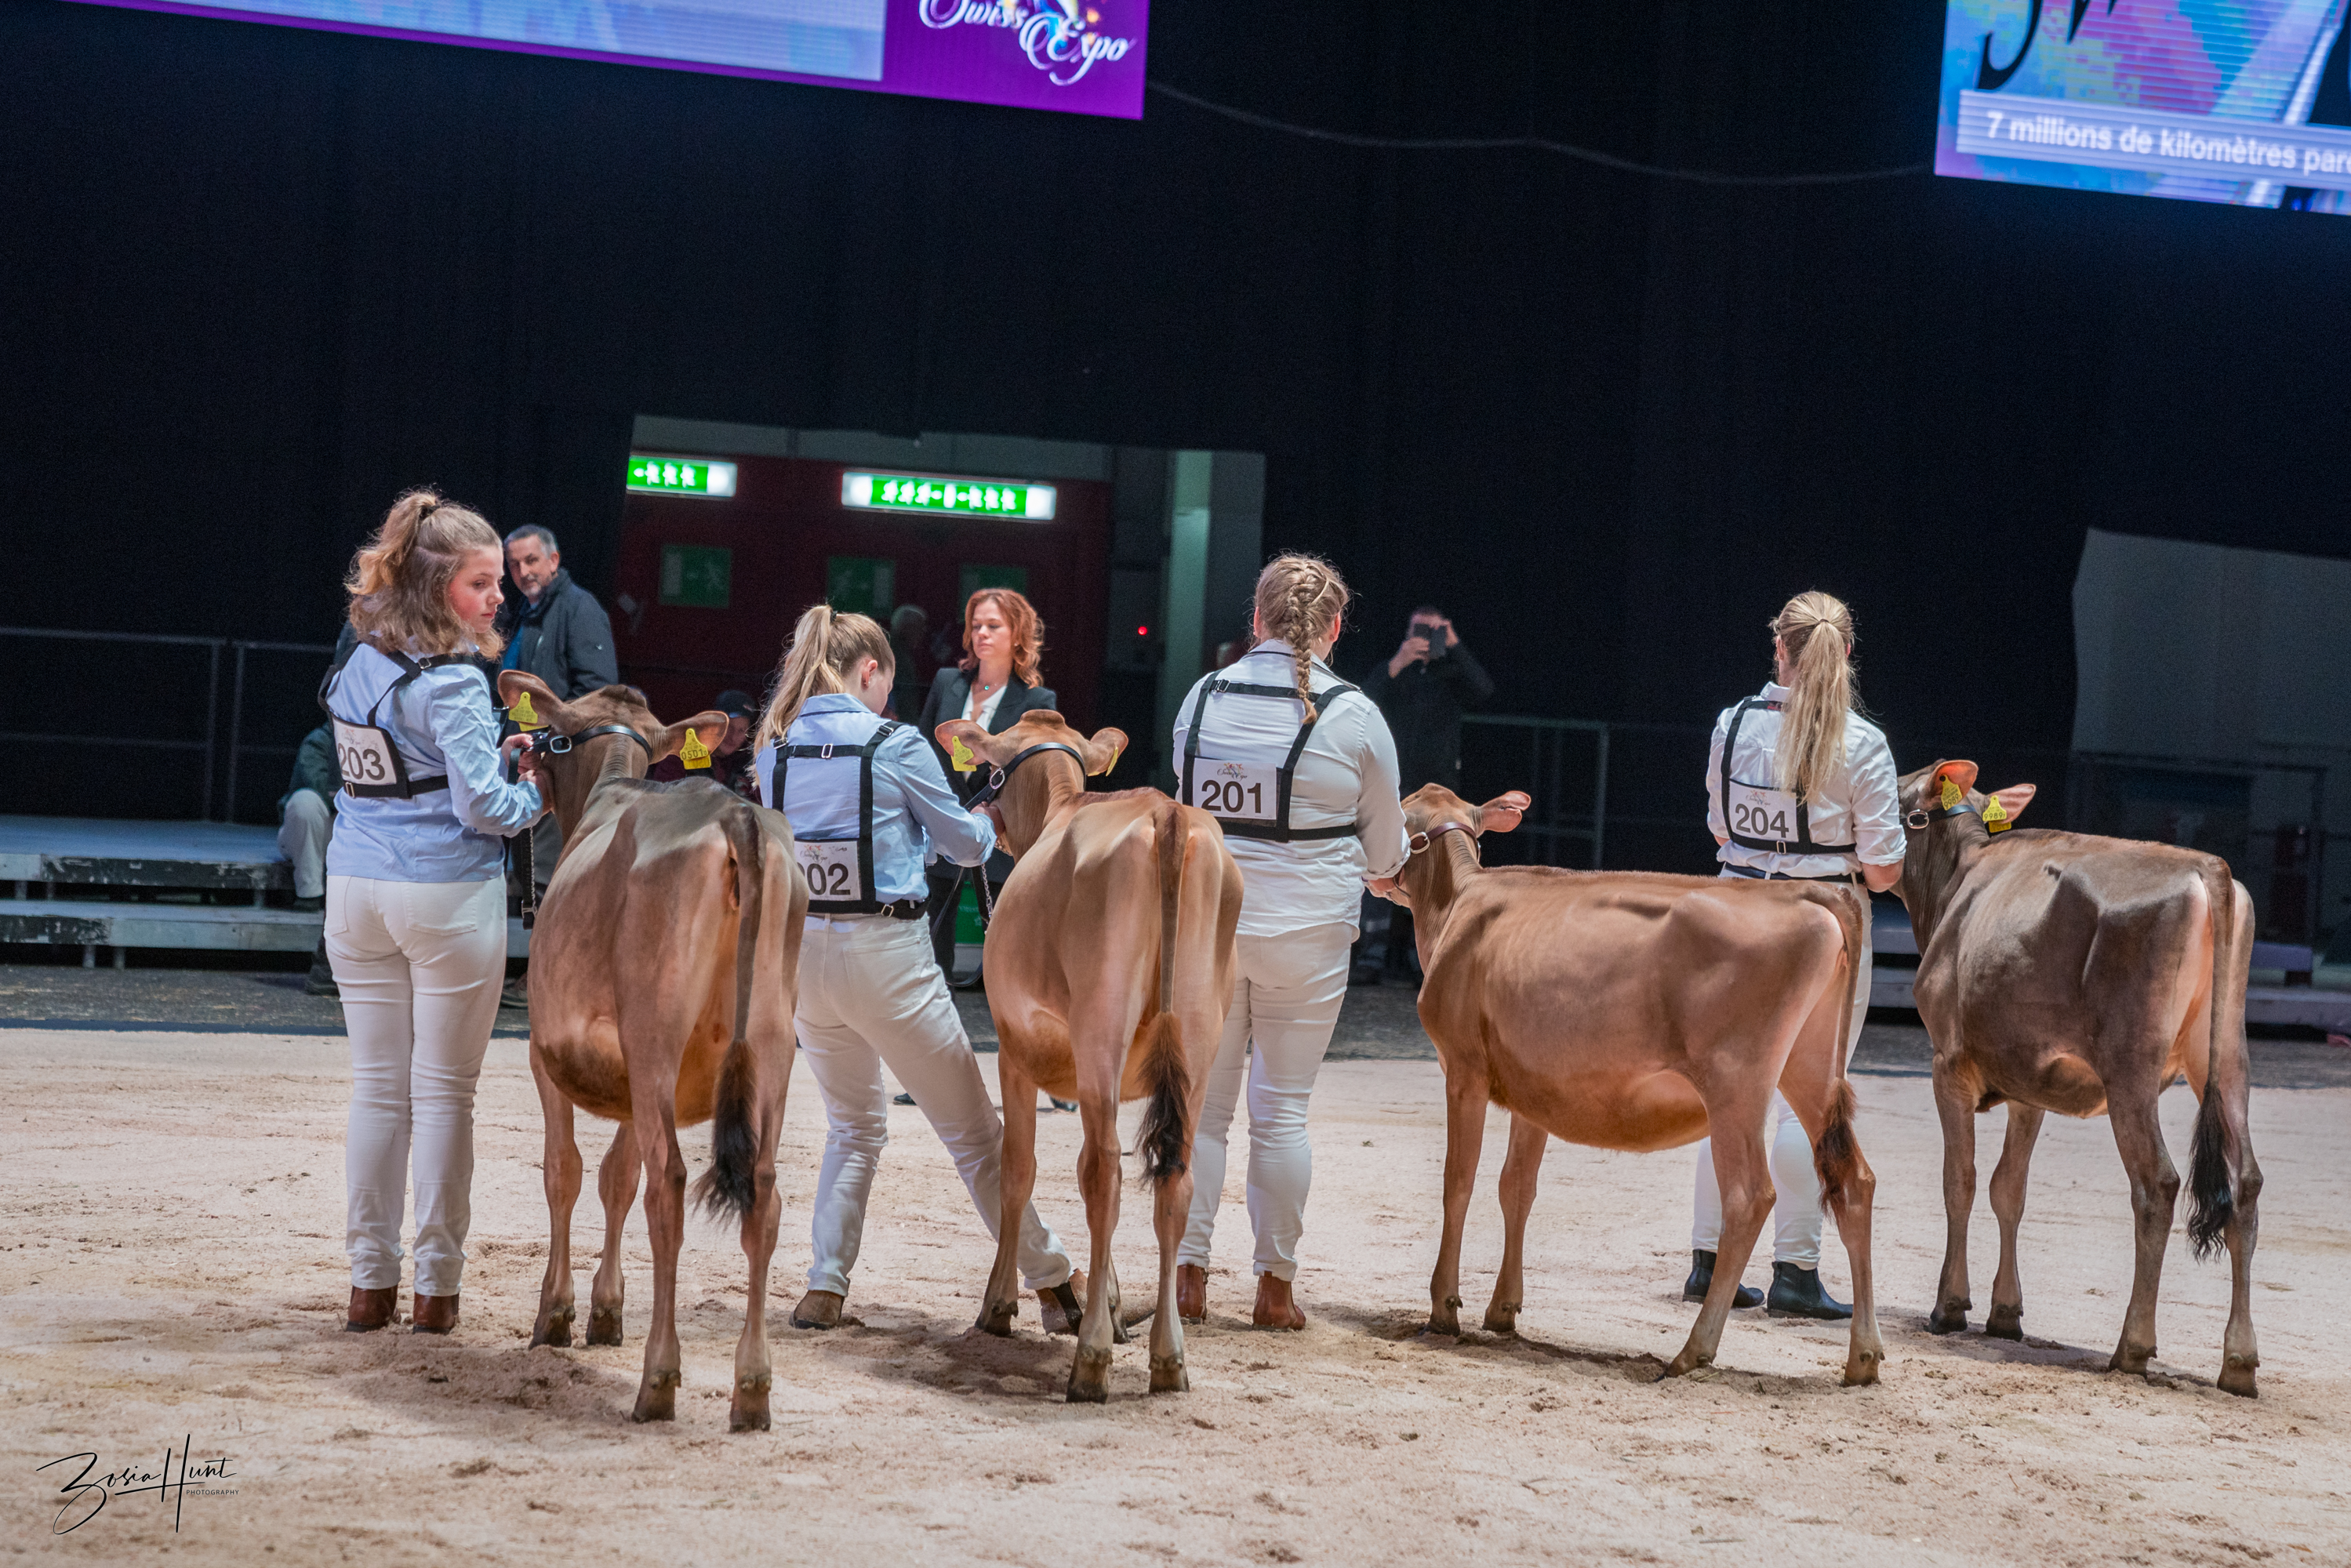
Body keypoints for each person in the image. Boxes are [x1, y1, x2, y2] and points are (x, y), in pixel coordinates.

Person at [752, 604, 1079, 1332]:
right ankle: (1058, 1283)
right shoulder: (894, 741)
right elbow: (962, 846)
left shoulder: (775, 749)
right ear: (870, 671)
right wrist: (987, 821)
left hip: (805, 957)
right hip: (887, 957)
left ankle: (825, 1285)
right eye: (885, 684)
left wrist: (917, 839)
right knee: (975, 1136)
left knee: (851, 1128)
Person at [324, 488, 549, 1336]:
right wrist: (533, 793)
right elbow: (481, 809)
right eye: (479, 584)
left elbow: (397, 767)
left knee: (379, 1091)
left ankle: (368, 1283)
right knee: (447, 1094)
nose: (496, 599)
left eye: (498, 583)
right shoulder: (453, 677)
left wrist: (486, 759)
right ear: (434, 586)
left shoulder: (360, 657)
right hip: (444, 893)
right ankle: (436, 1289)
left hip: (356, 889)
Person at [1172, 554, 1408, 1329]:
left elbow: (1187, 803)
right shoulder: (1355, 714)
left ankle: (1188, 1278)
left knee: (1205, 1113)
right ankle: (1274, 1290)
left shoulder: (1203, 697)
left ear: (1256, 619)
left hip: (1209, 928)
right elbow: (1386, 852)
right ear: (1334, 627)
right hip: (1307, 932)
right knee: (1281, 1115)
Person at [1686, 589, 1903, 1321]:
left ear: (1778, 647)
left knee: (1723, 1093)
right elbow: (1884, 872)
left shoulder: (1732, 723)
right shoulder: (1863, 743)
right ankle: (1795, 1268)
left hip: (1732, 915)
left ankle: (1708, 1258)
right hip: (1820, 924)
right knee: (1806, 1100)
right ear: (1846, 654)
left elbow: (1720, 829)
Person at [496, 524, 618, 1007]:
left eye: (531, 560)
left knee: (549, 877)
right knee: (531, 875)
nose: (523, 571)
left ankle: (548, 982)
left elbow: (598, 695)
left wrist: (552, 749)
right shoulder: (528, 615)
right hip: (527, 762)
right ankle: (539, 975)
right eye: (514, 564)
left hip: (560, 768)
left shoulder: (579, 609)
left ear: (554, 560)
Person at [916, 589, 1059, 984]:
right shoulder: (947, 682)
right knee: (932, 940)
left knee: (1004, 945)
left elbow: (1037, 775)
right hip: (942, 822)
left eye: (994, 626)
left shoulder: (1037, 699)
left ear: (1017, 634)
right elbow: (922, 751)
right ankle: (937, 1009)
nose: (982, 633)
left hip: (1001, 830)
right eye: (976, 625)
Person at [1353, 606, 1493, 982]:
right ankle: (1371, 955)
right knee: (1380, 865)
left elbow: (1483, 690)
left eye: (1435, 631)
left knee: (1432, 872)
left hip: (1439, 790)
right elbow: (1362, 701)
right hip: (1393, 785)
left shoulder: (1452, 675)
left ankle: (1423, 959)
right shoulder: (1396, 673)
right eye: (1421, 630)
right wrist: (1399, 661)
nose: (1428, 638)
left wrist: (1455, 646)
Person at [278, 722, 341, 996]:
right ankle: (309, 893)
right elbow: (314, 783)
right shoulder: (321, 739)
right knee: (305, 803)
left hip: (353, 830)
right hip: (319, 828)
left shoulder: (380, 738)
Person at [646, 688, 758, 800]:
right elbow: (662, 800)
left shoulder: (747, 766)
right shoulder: (682, 754)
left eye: (741, 730)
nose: (733, 737)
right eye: (729, 727)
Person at [886, 604, 931, 721]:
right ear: (905, 628)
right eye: (919, 627)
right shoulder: (892, 655)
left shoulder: (904, 653)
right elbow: (903, 697)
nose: (922, 633)